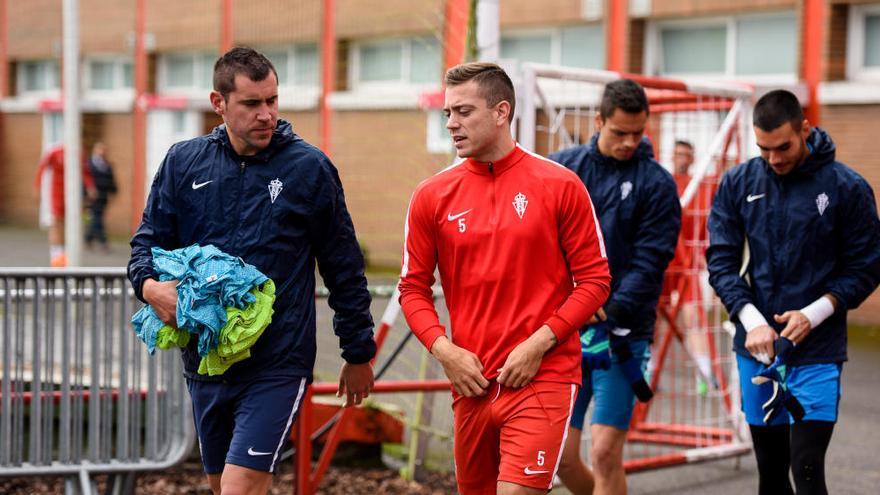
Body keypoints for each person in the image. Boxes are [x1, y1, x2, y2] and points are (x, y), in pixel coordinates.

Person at [127, 47, 376, 495]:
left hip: (278, 361)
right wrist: (150, 288)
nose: (267, 114)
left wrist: (357, 351)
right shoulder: (184, 162)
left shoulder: (309, 168)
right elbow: (146, 244)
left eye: (273, 101)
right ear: (218, 103)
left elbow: (343, 266)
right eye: (251, 104)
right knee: (223, 487)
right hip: (206, 361)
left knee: (240, 488)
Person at [398, 62, 611, 495]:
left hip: (543, 377)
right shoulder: (430, 196)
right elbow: (412, 289)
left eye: (464, 111)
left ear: (501, 112)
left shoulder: (561, 185)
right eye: (447, 114)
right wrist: (446, 352)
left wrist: (539, 343)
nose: (452, 124)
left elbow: (595, 281)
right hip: (471, 383)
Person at [707, 89, 880, 495]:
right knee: (770, 472)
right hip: (758, 350)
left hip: (818, 350)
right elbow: (720, 262)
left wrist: (814, 313)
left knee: (806, 468)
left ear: (805, 128)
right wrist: (752, 321)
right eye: (763, 149)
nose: (774, 159)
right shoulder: (738, 182)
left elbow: (867, 265)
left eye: (783, 146)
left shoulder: (847, 187)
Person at [550, 79, 681, 495]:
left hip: (623, 334)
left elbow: (651, 261)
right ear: (599, 121)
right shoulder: (562, 169)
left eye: (637, 133)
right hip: (565, 333)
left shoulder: (657, 184)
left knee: (605, 452)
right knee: (562, 459)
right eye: (619, 132)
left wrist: (608, 309)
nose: (629, 142)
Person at [665, 139, 714, 394]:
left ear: (693, 157)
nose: (682, 158)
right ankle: (647, 370)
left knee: (693, 317)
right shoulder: (663, 182)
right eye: (678, 154)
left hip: (688, 263)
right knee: (649, 316)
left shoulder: (703, 187)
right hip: (663, 260)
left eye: (686, 154)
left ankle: (703, 373)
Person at [33, 144, 96, 267]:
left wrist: (90, 186)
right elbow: (42, 168)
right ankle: (56, 254)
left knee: (73, 222)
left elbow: (86, 172)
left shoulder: (79, 153)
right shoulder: (55, 152)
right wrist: (37, 187)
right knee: (57, 221)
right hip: (57, 192)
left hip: (73, 194)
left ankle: (68, 252)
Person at [85, 142, 117, 252]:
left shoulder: (107, 165)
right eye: (100, 149)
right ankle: (103, 242)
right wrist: (87, 192)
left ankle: (88, 238)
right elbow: (85, 179)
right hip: (93, 196)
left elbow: (111, 180)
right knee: (97, 217)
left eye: (104, 150)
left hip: (103, 196)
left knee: (96, 217)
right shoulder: (89, 163)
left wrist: (113, 192)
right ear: (95, 150)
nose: (102, 152)